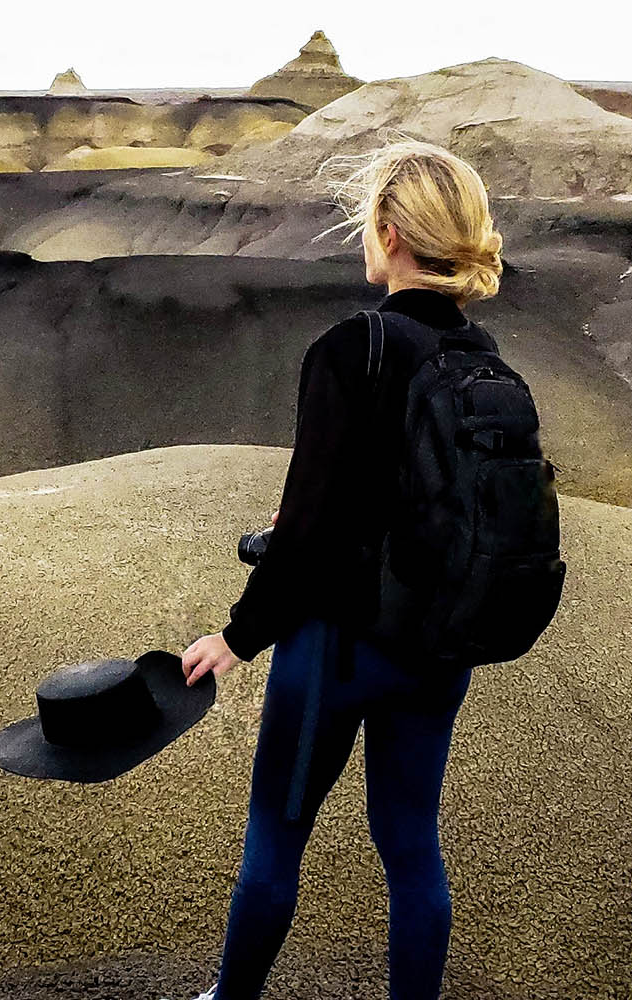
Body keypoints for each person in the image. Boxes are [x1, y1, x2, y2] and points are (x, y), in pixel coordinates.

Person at [175, 138, 507, 1000]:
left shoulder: (351, 348)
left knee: (276, 836)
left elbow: (309, 530)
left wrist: (237, 637)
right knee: (412, 846)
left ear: (389, 233)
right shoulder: (485, 358)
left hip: (337, 650)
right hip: (439, 651)